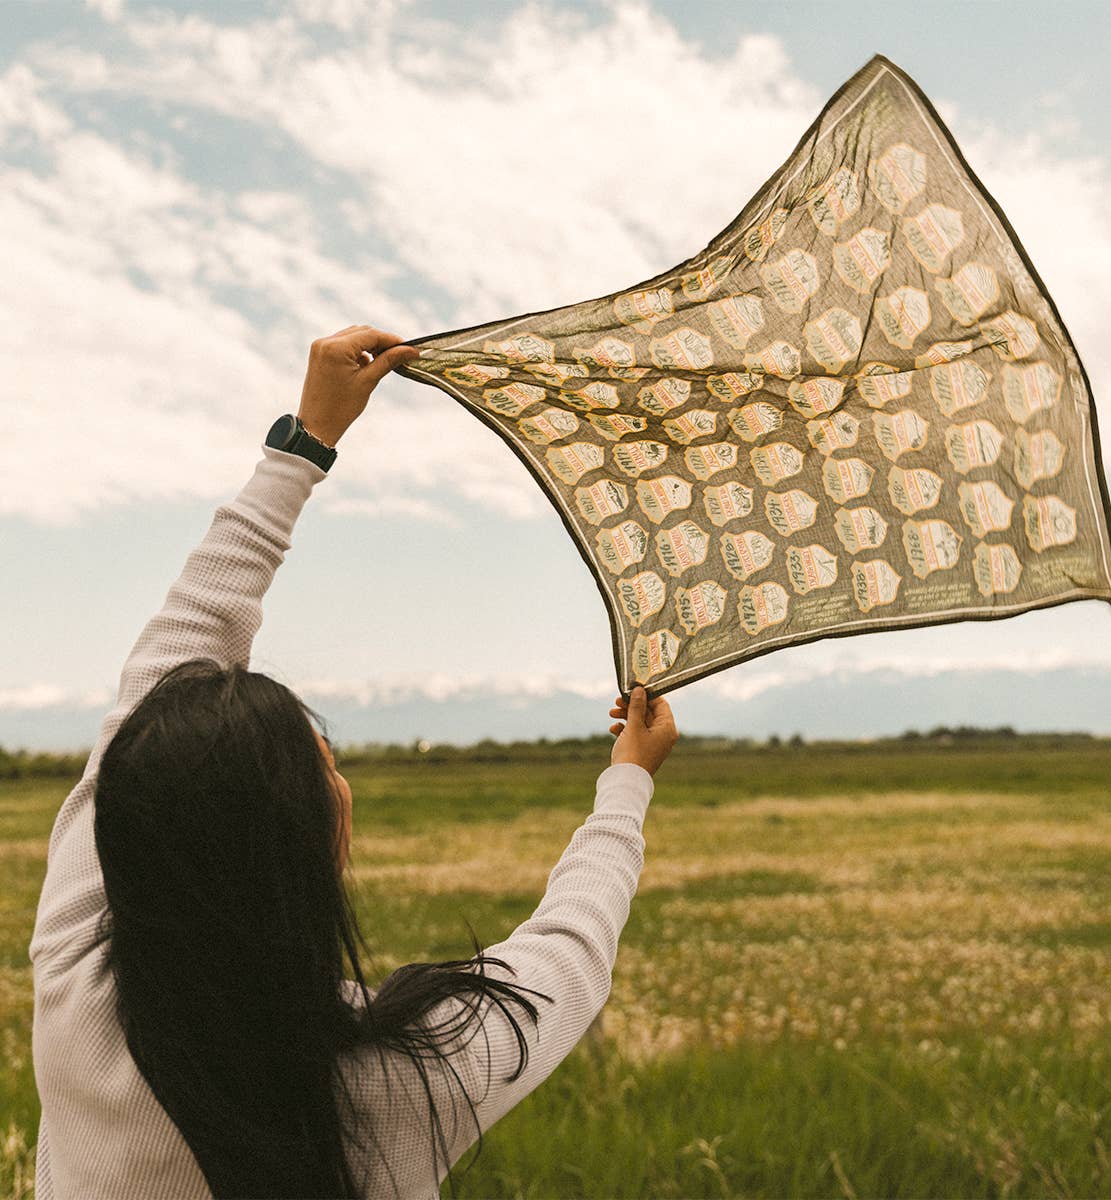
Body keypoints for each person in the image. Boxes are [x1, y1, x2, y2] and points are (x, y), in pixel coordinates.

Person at [29, 325, 679, 1199]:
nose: (343, 783)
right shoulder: (406, 1074)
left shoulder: (76, 981)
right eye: (323, 768)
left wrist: (304, 443)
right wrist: (628, 779)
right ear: (302, 847)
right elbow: (570, 950)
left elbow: (162, 674)